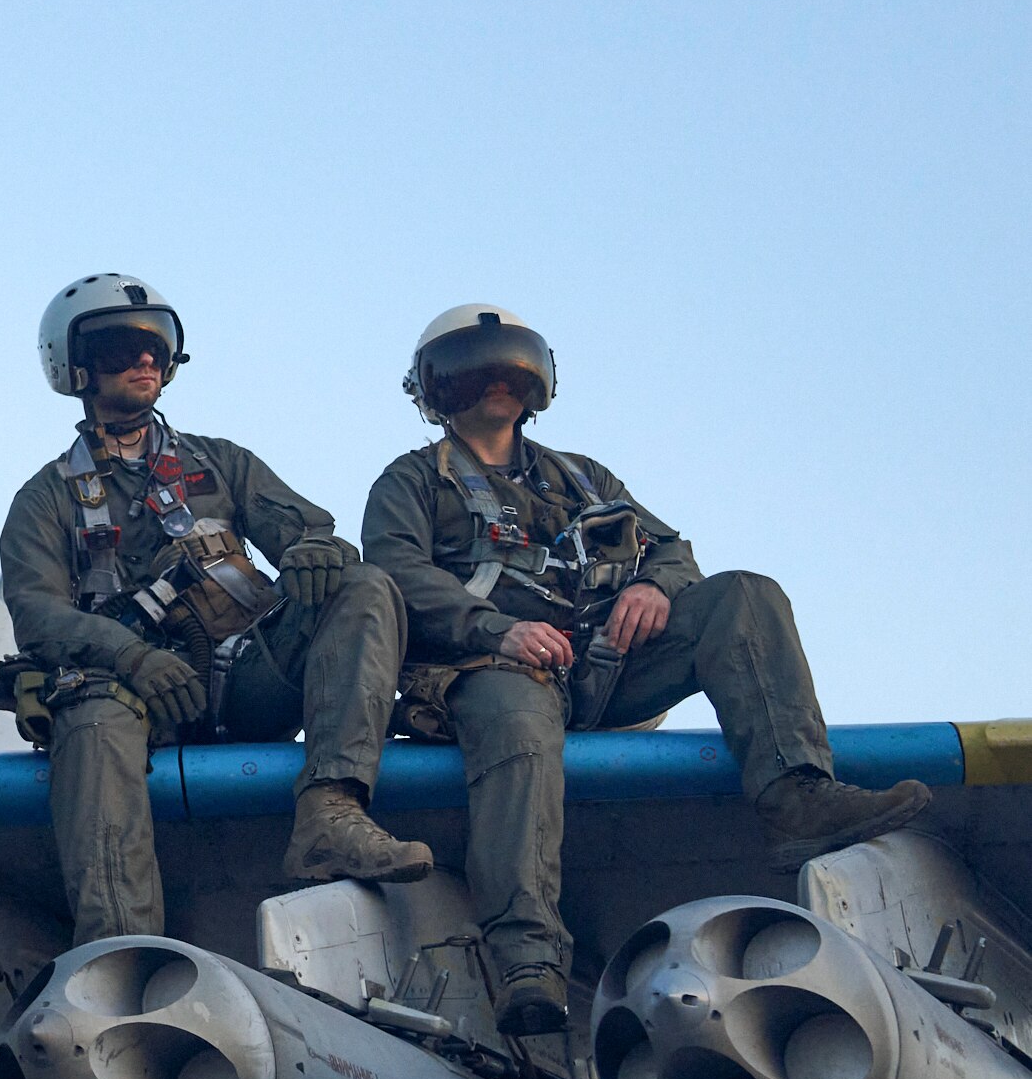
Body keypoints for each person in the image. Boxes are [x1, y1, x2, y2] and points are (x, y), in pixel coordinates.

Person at [361, 304, 931, 1036]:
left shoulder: (582, 477)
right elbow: (394, 570)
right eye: (476, 368)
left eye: (510, 365)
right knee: (520, 720)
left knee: (743, 596)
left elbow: (671, 548)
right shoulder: (412, 482)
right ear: (439, 388)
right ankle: (526, 955)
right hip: (490, 671)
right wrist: (498, 631)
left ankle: (796, 794)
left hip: (602, 663)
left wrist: (653, 586)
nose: (497, 382)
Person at [0, 274, 425, 945]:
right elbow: (36, 612)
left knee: (364, 585)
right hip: (129, 697)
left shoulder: (221, 464)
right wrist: (132, 657)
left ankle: (332, 813)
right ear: (76, 366)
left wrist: (316, 549)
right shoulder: (46, 498)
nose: (144, 361)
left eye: (156, 348)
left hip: (245, 675)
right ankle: (118, 952)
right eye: (120, 347)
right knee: (91, 719)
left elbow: (307, 529)